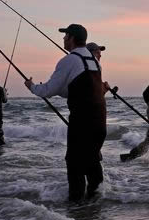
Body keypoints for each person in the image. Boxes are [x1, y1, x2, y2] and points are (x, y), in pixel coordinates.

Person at [24, 24, 107, 202]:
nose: (63, 39)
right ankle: (97, 206)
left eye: (65, 35)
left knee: (75, 165)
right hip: (100, 123)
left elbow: (48, 90)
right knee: (92, 164)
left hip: (82, 123)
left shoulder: (69, 60)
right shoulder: (94, 61)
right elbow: (77, 90)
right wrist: (58, 91)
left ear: (71, 38)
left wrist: (31, 86)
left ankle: (76, 210)